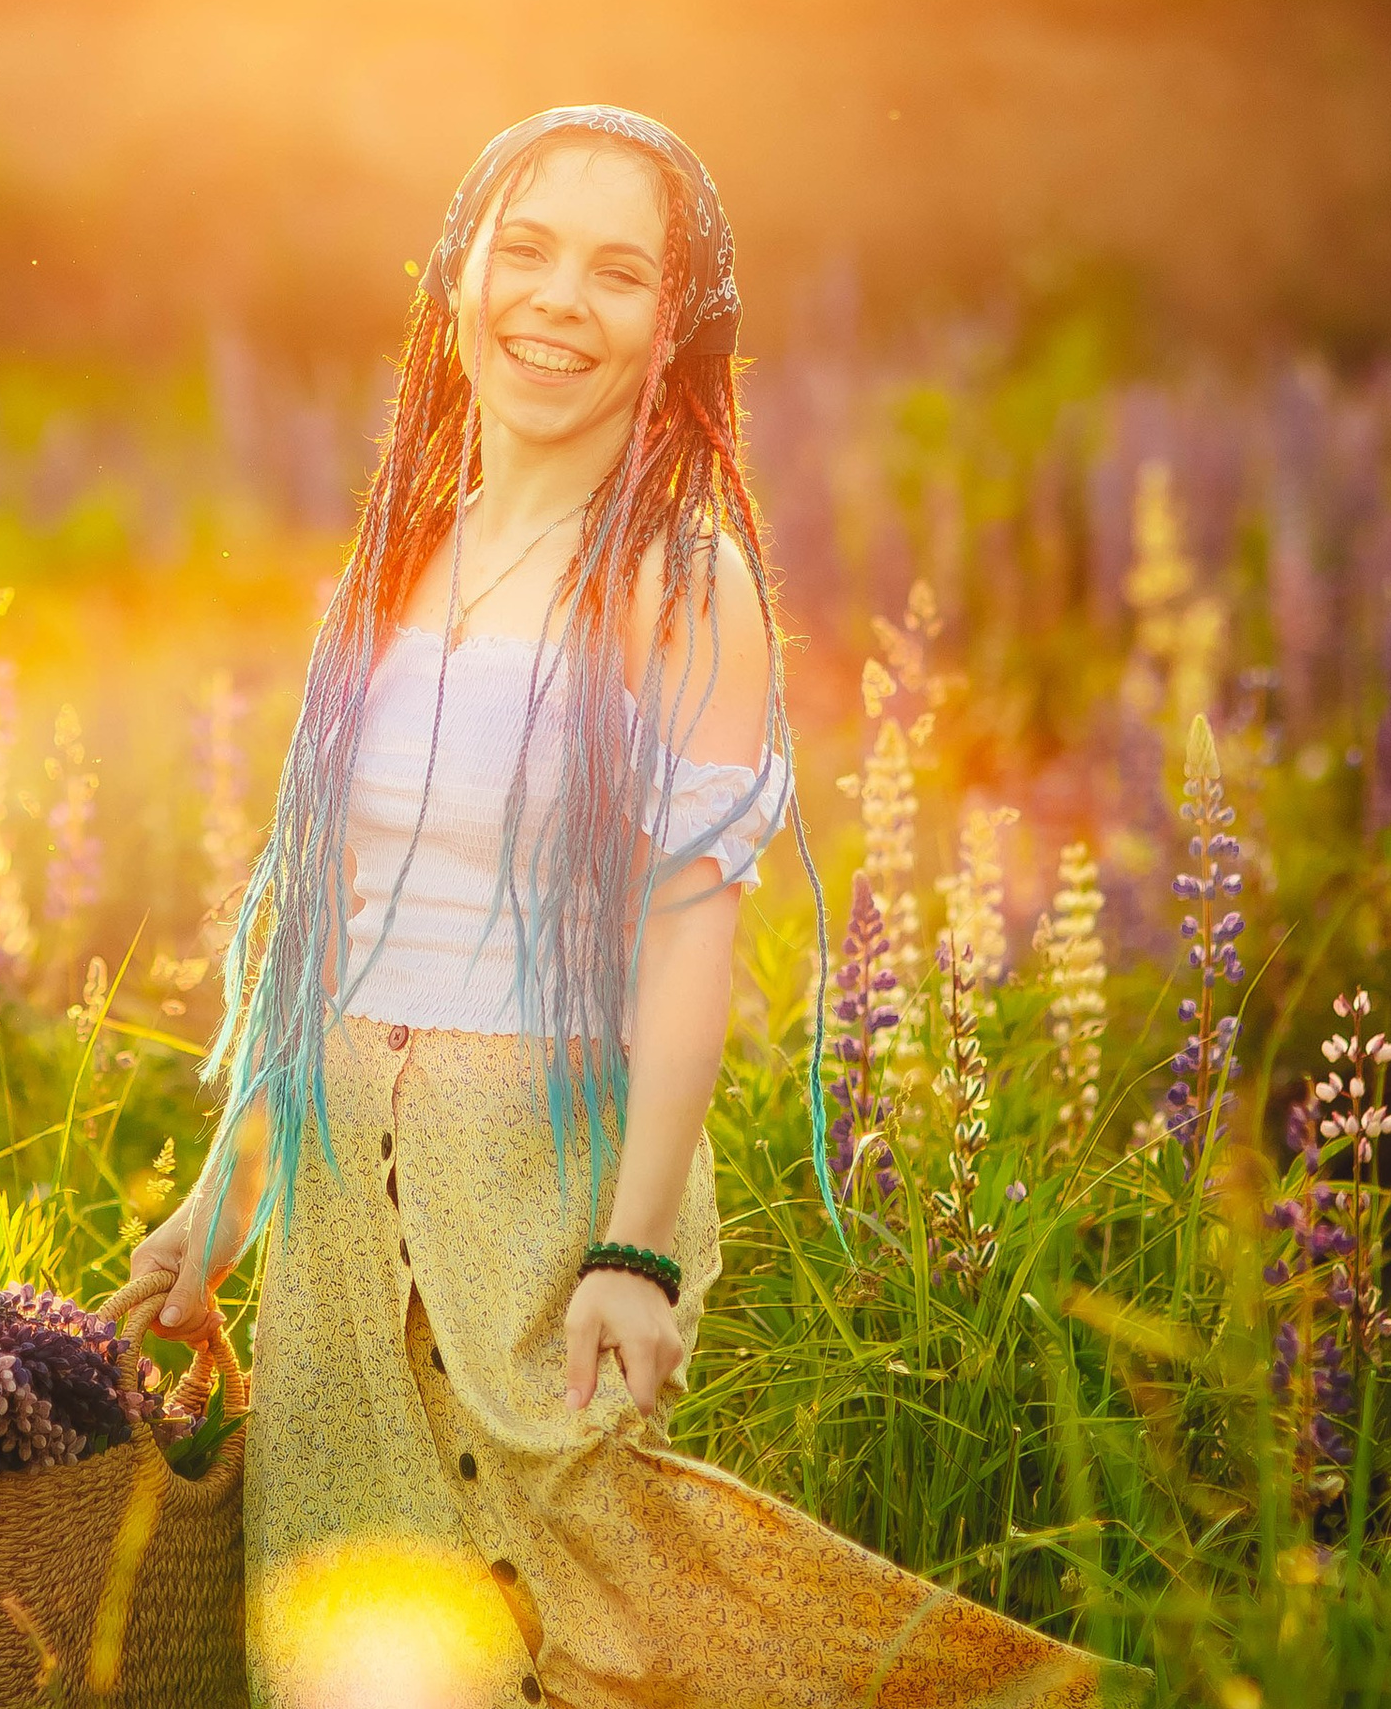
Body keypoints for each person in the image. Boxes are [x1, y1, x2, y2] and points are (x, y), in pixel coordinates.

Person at [132, 107, 1122, 1707]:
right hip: (328, 1208)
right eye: (522, 250)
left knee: (610, 1628)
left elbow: (689, 937)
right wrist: (227, 1195)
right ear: (456, 276)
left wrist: (636, 1253)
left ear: (674, 330)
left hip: (535, 1179)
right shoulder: (401, 553)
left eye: (615, 273)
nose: (553, 301)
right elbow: (326, 909)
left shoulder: (682, 578)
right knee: (346, 1643)